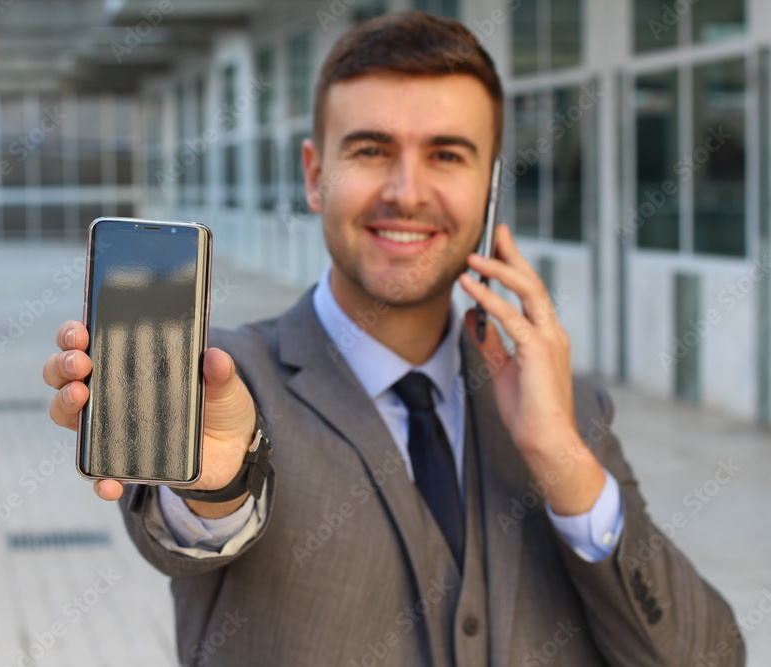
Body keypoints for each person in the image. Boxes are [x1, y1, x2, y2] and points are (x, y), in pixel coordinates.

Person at [43, 11, 744, 666]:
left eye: (446, 155)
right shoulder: (222, 382)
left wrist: (560, 457)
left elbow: (709, 654)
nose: (407, 191)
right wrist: (216, 488)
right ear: (316, 176)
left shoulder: (571, 410)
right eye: (373, 150)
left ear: (490, 188)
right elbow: (187, 530)